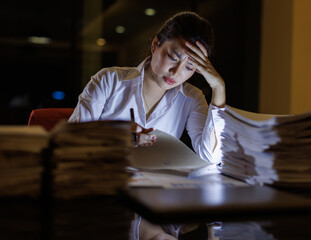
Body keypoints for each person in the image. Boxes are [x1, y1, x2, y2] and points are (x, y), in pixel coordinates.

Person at [68, 11, 225, 240]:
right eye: (173, 57)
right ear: (155, 45)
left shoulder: (192, 98)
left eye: (190, 67)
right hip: (103, 191)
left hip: (157, 197)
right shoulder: (109, 81)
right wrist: (118, 136)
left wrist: (218, 88)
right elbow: (72, 142)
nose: (177, 72)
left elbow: (210, 156)